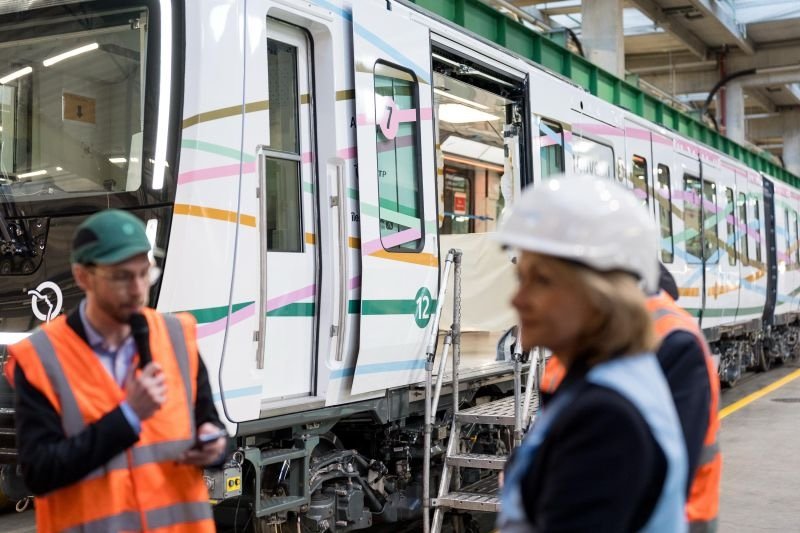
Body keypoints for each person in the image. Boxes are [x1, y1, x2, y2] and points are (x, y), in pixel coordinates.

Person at [5, 209, 225, 533]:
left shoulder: (178, 336)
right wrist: (128, 417)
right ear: (83, 277)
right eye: (122, 276)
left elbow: (210, 423)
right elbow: (40, 473)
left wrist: (215, 445)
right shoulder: (40, 358)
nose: (138, 289)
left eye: (144, 273)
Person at [496, 175, 687, 532]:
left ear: (596, 297)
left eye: (542, 281)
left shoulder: (605, 420)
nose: (517, 300)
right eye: (521, 279)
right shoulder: (614, 376)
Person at [539, 265, 721, 532]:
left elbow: (652, 478)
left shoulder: (674, 343)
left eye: (540, 278)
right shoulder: (574, 340)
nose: (518, 298)